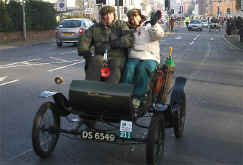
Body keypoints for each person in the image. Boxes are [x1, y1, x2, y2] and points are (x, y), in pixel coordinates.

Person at [78, 6, 133, 83]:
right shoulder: (95, 28)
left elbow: (129, 38)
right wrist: (85, 52)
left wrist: (114, 43)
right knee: (95, 61)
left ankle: (110, 90)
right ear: (102, 16)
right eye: (105, 14)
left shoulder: (121, 25)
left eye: (110, 14)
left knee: (115, 66)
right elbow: (85, 38)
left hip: (117, 56)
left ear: (114, 15)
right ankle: (90, 88)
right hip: (101, 55)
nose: (108, 16)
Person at [122, 9, 165, 108]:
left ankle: (138, 97)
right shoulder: (128, 29)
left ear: (140, 16)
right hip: (134, 56)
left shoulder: (149, 25)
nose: (133, 20)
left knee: (143, 68)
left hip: (150, 56)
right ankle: (125, 94)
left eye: (135, 16)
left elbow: (158, 35)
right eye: (130, 18)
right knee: (129, 68)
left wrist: (154, 24)